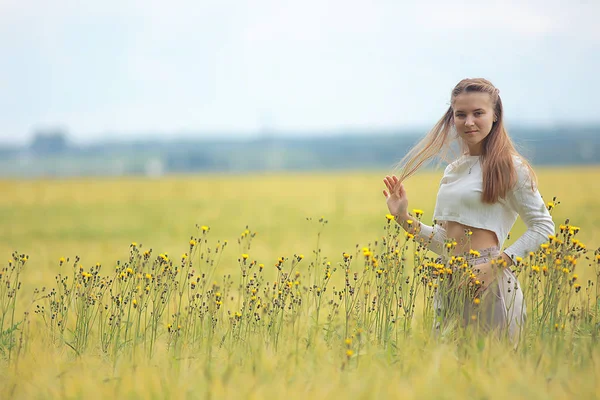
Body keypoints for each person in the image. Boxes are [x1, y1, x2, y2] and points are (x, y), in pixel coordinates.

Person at [382, 78, 555, 342]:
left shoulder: (510, 166)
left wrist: (495, 266)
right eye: (460, 114)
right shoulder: (453, 170)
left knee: (495, 371)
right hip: (450, 280)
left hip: (492, 281)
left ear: (495, 115)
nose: (469, 122)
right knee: (449, 376)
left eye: (478, 113)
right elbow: (444, 243)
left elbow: (544, 227)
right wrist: (403, 218)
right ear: (452, 118)